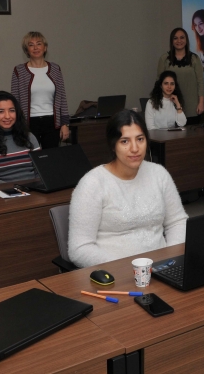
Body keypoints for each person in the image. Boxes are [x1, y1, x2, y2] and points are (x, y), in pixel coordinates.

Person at [68, 110, 187, 268]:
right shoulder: (92, 184)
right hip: (116, 274)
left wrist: (171, 259)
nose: (135, 148)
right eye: (125, 141)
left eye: (140, 139)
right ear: (113, 145)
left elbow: (177, 222)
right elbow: (79, 249)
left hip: (162, 269)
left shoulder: (159, 174)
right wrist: (126, 269)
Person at [11, 31, 70, 149]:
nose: (35, 47)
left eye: (39, 44)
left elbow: (62, 98)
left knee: (51, 159)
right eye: (31, 45)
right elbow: (14, 101)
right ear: (26, 50)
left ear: (45, 47)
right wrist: (17, 126)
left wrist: (65, 124)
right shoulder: (19, 71)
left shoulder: (55, 69)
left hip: (52, 123)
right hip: (29, 124)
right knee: (32, 158)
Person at [0, 91, 40, 186]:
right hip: (3, 194)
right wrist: (15, 188)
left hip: (33, 192)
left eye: (12, 110)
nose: (7, 116)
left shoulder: (30, 137)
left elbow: (41, 172)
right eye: (1, 111)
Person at [157, 28, 204, 124]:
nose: (179, 41)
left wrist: (201, 103)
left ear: (186, 40)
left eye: (182, 38)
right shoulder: (164, 59)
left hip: (192, 107)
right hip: (170, 105)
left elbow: (201, 82)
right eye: (175, 38)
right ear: (172, 41)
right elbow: (159, 82)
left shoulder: (194, 59)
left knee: (192, 137)